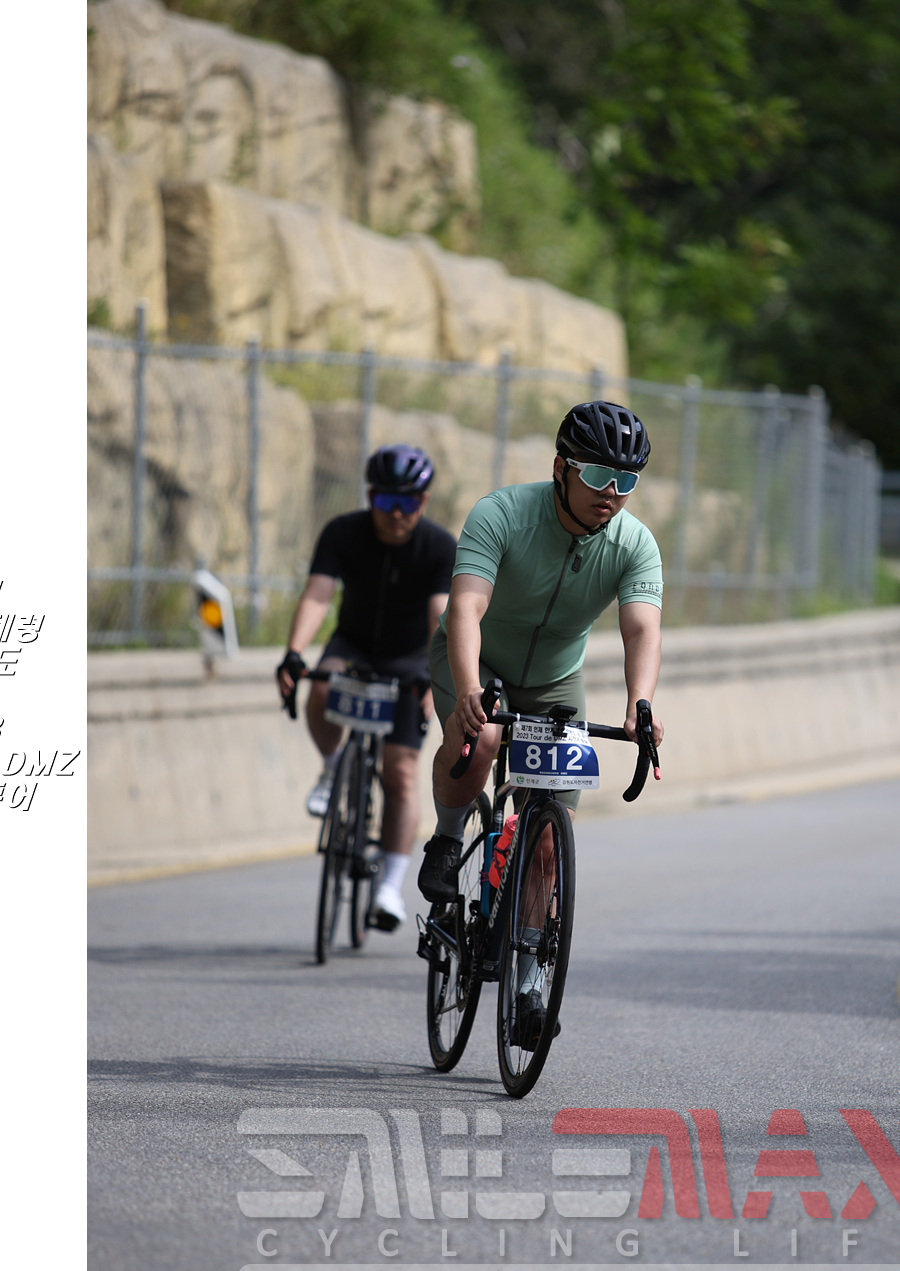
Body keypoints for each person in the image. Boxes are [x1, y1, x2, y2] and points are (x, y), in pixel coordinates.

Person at [416, 401, 666, 1006]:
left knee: (551, 841)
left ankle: (529, 978)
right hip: (474, 657)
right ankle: (447, 838)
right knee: (484, 738)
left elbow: (641, 629)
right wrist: (469, 688)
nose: (611, 493)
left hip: (555, 680)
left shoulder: (635, 543)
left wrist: (639, 703)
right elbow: (467, 607)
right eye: (598, 475)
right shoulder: (502, 514)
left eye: (626, 480)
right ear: (561, 468)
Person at [276, 445, 457, 932]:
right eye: (386, 502)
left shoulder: (439, 546)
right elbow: (318, 593)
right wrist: (294, 651)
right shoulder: (343, 531)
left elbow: (439, 617)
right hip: (354, 645)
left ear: (423, 502)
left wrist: (435, 677)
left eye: (408, 503)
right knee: (321, 685)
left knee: (400, 774)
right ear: (370, 497)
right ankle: (332, 767)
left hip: (411, 658)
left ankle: (389, 886)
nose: (397, 514)